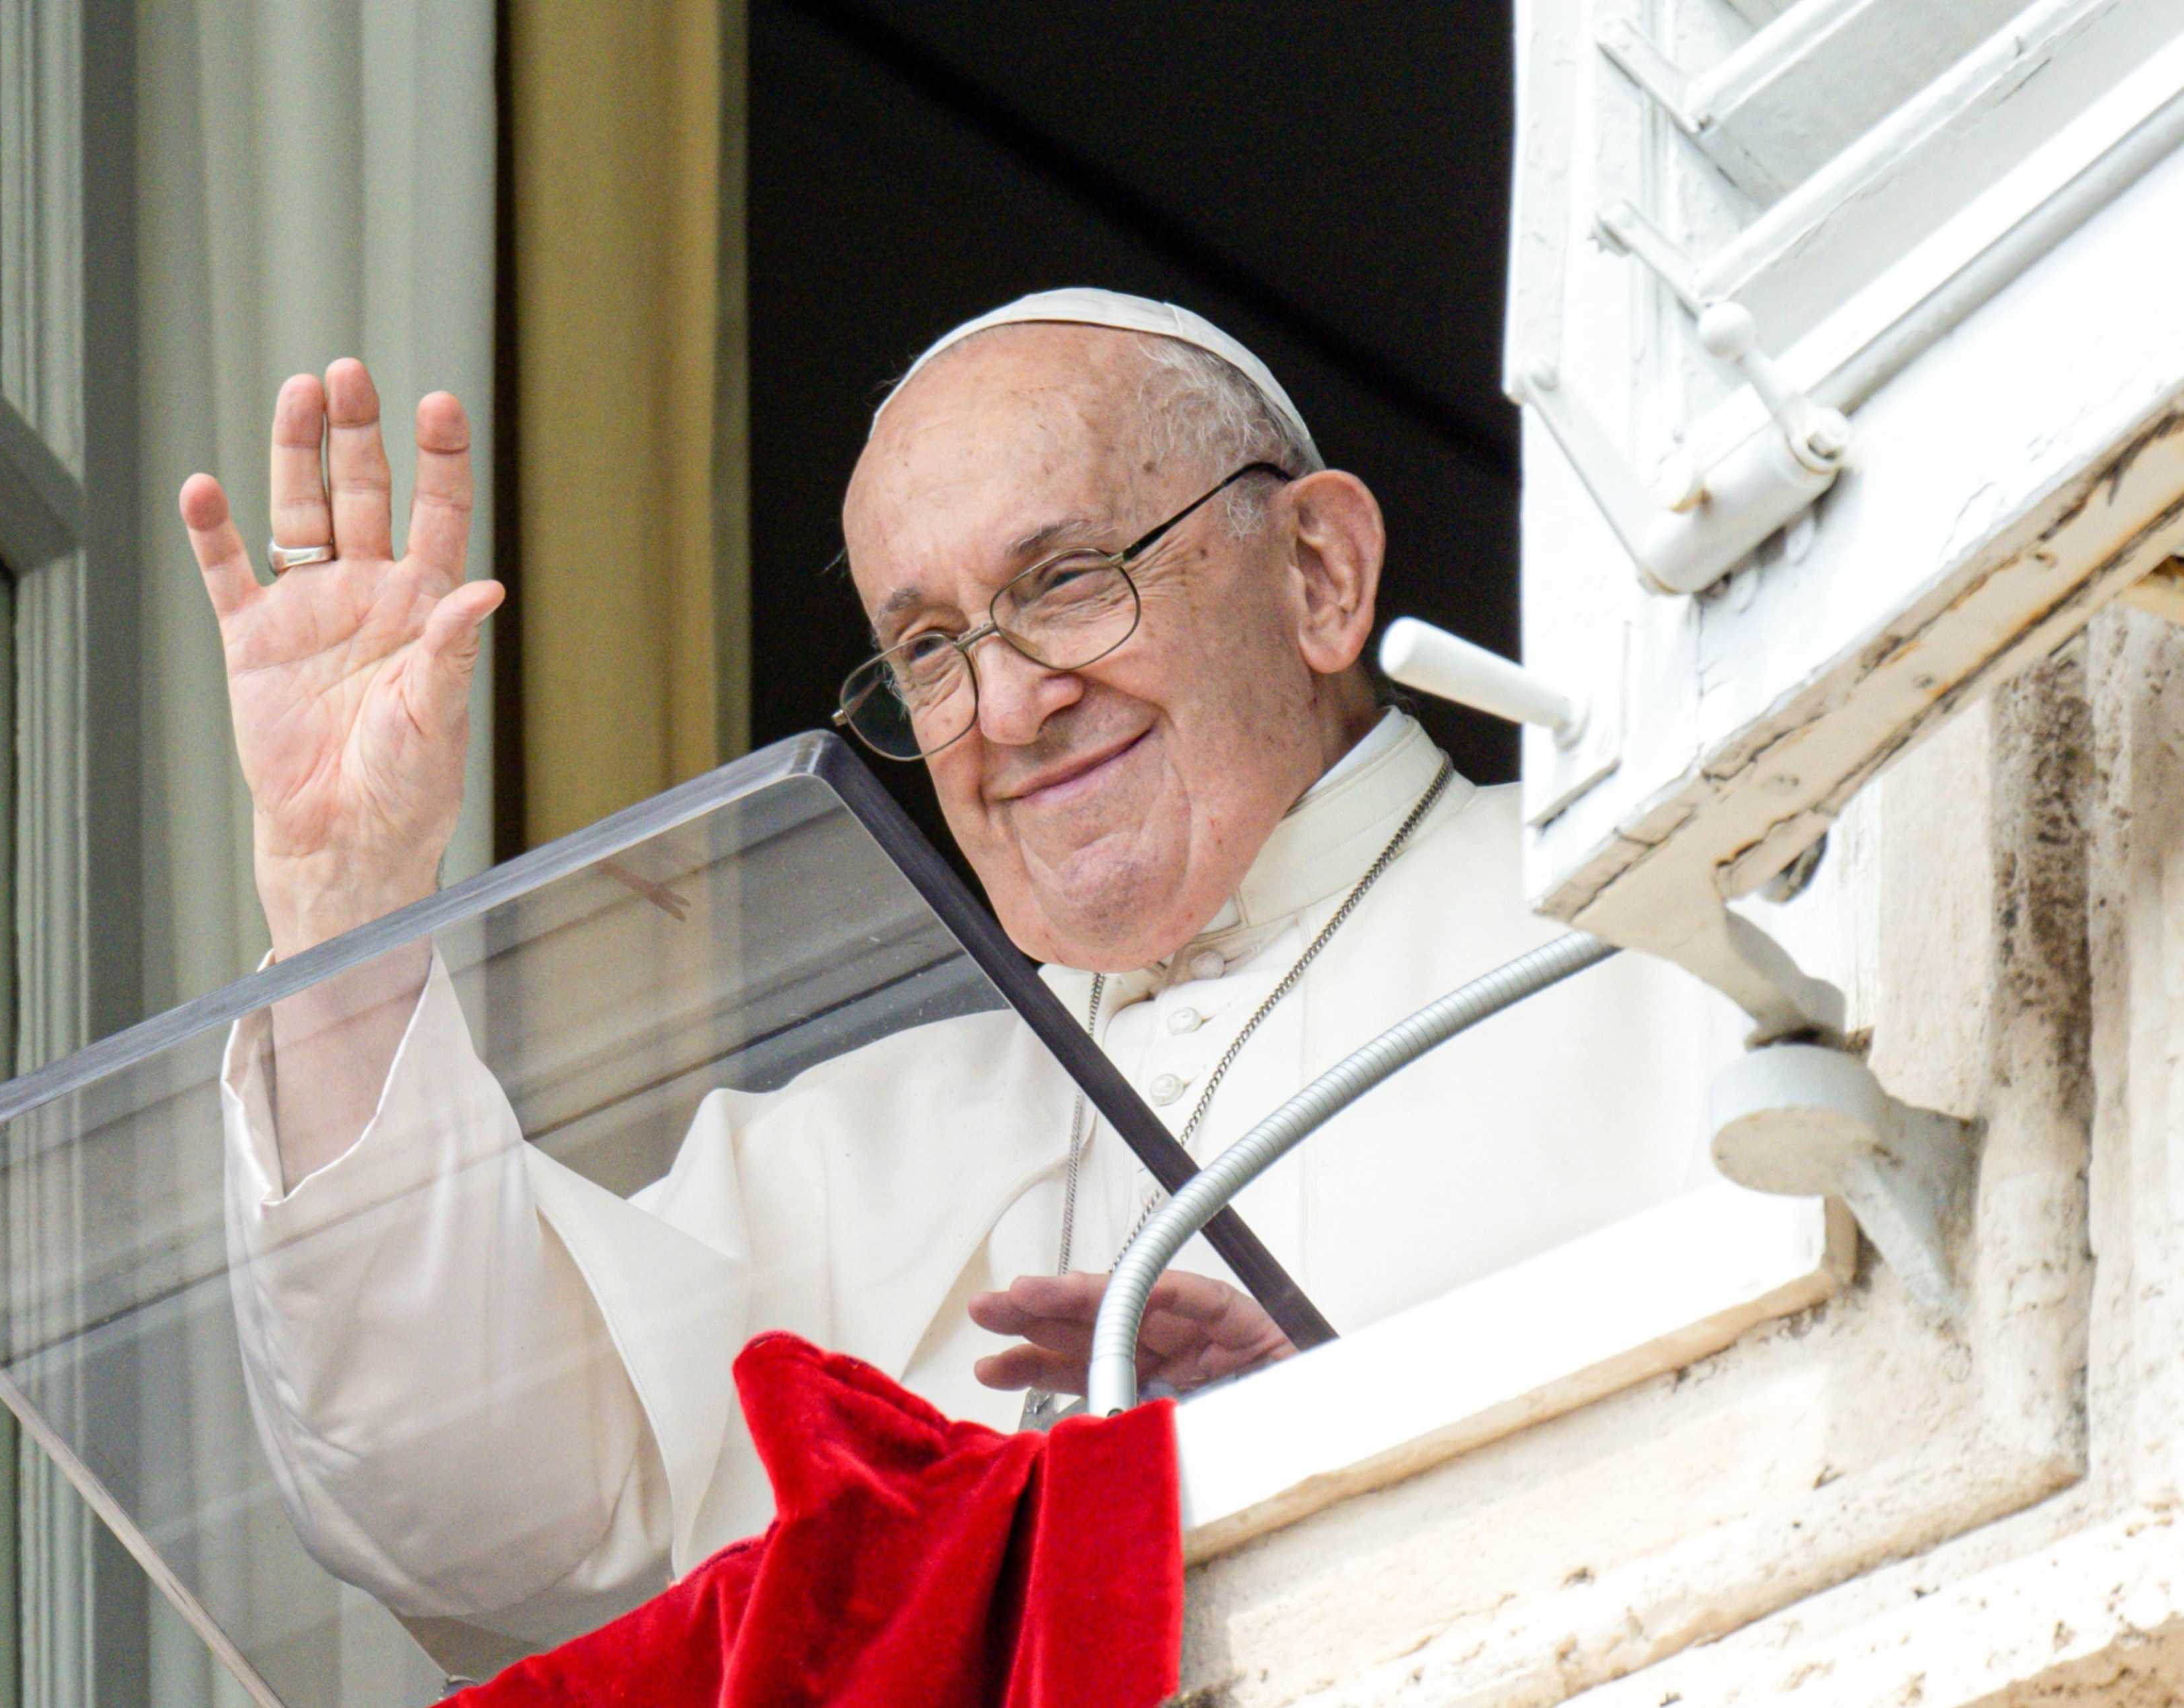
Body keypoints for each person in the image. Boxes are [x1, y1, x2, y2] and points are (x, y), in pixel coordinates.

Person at [178, 291, 1722, 1649]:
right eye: (923, 647)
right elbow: (462, 1506)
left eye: (1061, 581)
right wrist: (343, 894)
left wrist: (1347, 1426)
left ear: (1317, 572)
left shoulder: (1659, 910)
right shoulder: (851, 1152)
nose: (1000, 704)